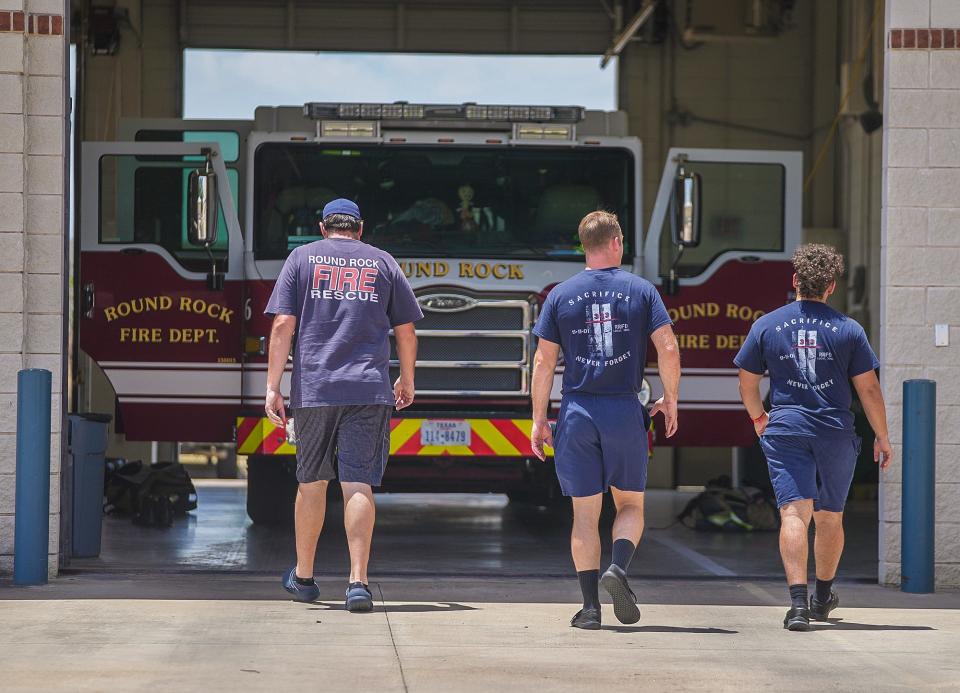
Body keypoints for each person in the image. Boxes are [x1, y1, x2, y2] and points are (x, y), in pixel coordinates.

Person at [264, 198, 423, 611]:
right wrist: (406, 380)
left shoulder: (301, 259)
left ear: (323, 227)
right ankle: (358, 583)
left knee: (312, 481)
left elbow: (282, 325)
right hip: (368, 391)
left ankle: (303, 576)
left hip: (315, 390)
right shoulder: (383, 262)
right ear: (360, 227)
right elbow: (406, 332)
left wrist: (272, 387)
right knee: (358, 483)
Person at [530, 210, 681, 630]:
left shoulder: (560, 295)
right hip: (622, 408)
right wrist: (670, 399)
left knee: (584, 515)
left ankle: (590, 607)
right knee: (630, 504)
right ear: (616, 241)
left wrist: (539, 419)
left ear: (584, 246)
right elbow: (667, 348)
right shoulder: (641, 290)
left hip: (577, 412)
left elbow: (544, 361)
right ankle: (619, 567)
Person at [734, 243, 892, 631]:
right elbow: (869, 389)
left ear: (795, 281)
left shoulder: (767, 325)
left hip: (786, 429)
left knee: (793, 513)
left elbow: (747, 379)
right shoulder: (848, 329)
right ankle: (822, 597)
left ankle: (798, 606)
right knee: (829, 516)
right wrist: (882, 436)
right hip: (835, 432)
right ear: (832, 286)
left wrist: (758, 416)